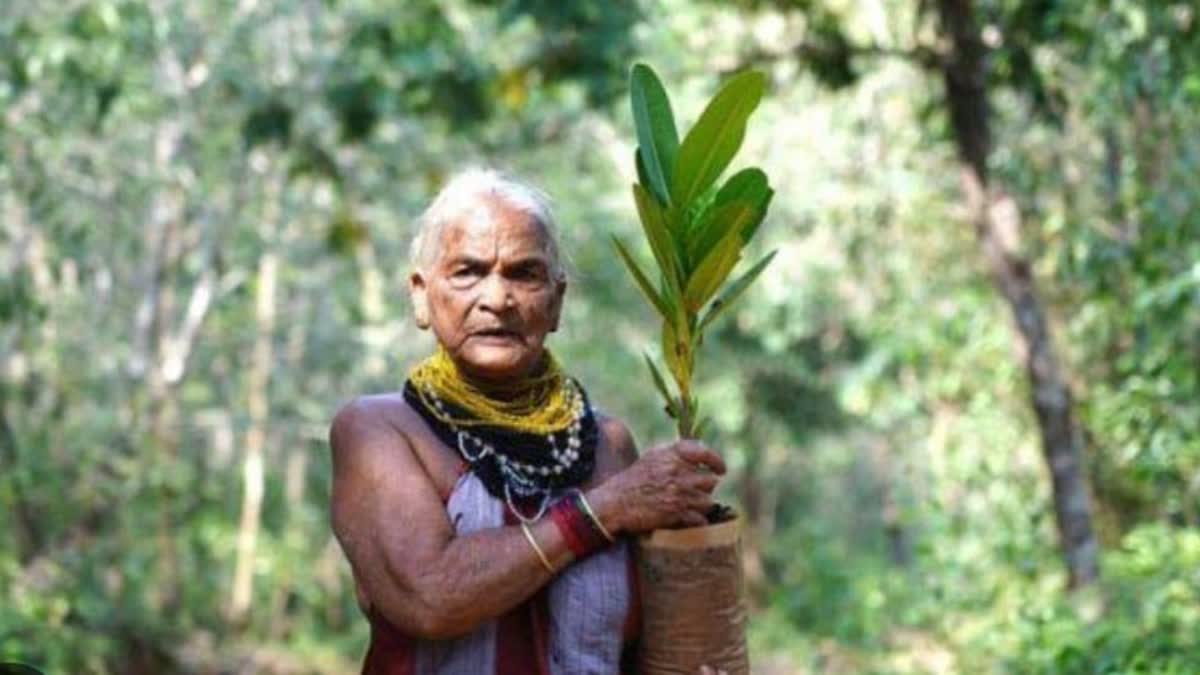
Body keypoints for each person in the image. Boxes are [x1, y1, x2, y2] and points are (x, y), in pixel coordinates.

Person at [329, 168, 727, 674]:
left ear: (556, 302)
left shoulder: (606, 444)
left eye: (524, 274)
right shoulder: (377, 433)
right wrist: (605, 509)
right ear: (420, 296)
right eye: (467, 271)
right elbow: (431, 598)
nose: (497, 299)